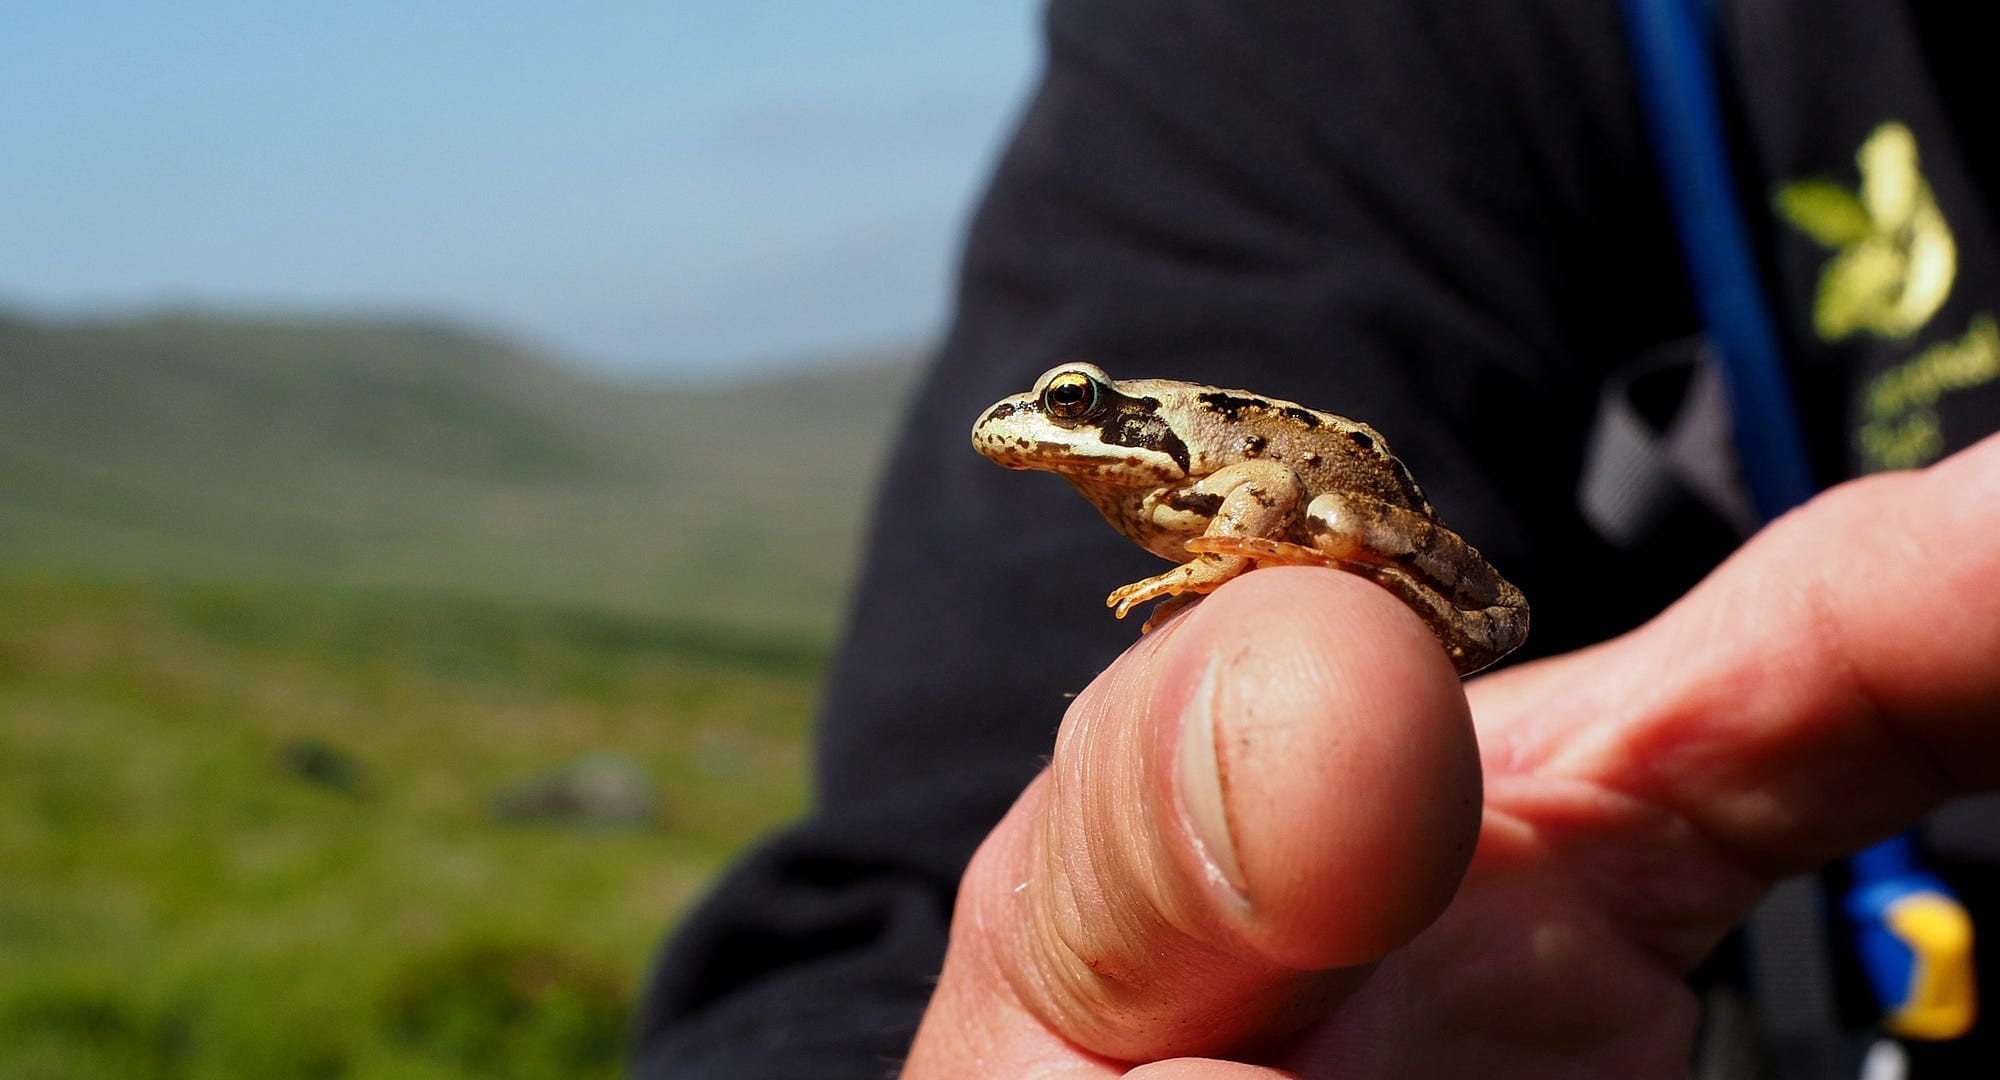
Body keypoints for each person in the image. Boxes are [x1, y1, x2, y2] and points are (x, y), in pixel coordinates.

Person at [633, 0, 2000, 1075]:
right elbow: (891, 908)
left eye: (1075, 411)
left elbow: (1283, 500)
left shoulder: (1189, 496)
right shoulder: (1303, 64)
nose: (1057, 430)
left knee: (1336, 529)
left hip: (1340, 497)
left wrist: (1218, 563)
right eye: (1067, 409)